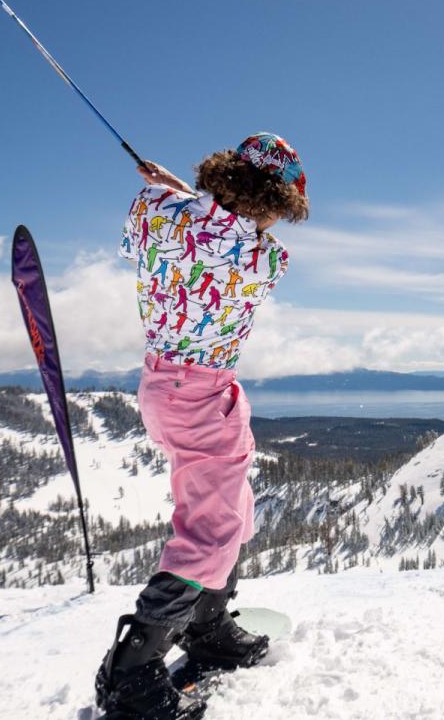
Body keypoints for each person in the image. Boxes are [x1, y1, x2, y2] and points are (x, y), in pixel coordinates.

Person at [95, 133, 310, 720]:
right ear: (270, 201)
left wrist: (177, 194)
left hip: (164, 385)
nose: (278, 224)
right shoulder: (267, 259)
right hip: (203, 394)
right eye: (279, 210)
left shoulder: (155, 211)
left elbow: (185, 232)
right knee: (210, 532)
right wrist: (186, 195)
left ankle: (207, 624)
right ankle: (133, 674)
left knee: (231, 509)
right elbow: (237, 237)